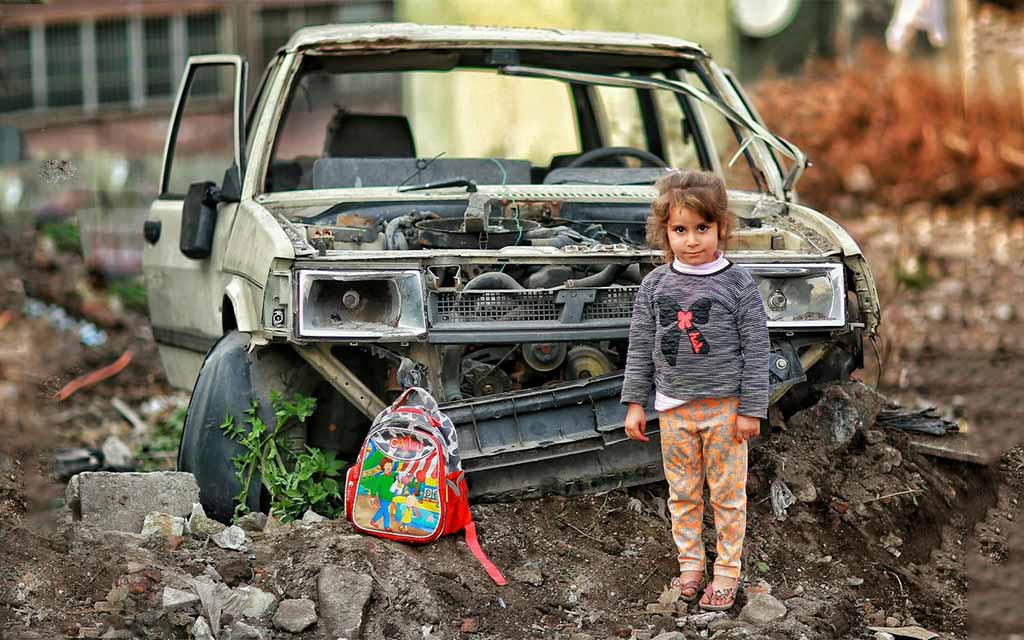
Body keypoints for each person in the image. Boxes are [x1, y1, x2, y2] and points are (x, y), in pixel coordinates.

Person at [621, 169, 769, 612]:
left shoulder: (737, 284)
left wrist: (752, 408)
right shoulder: (655, 285)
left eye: (702, 228)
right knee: (682, 492)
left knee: (727, 495)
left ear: (721, 227)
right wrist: (634, 403)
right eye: (680, 230)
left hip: (725, 410)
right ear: (665, 232)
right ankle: (690, 566)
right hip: (673, 412)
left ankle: (726, 572)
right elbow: (641, 346)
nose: (691, 240)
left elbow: (758, 348)